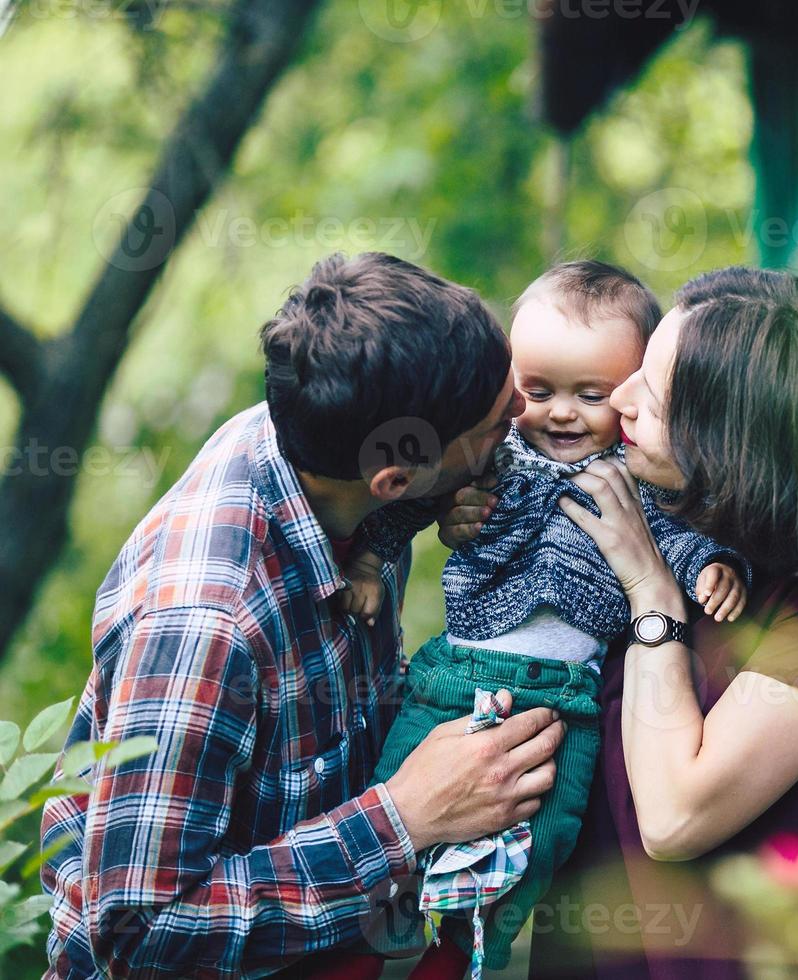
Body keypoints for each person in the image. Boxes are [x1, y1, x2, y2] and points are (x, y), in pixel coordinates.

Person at [38, 253, 566, 979]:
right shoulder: (205, 627)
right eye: (497, 417)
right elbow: (137, 929)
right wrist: (403, 819)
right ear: (394, 478)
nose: (523, 414)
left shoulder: (334, 439)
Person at [439, 266, 798, 976]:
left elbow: (673, 818)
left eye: (655, 398)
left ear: (733, 445)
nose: (622, 401)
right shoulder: (655, 491)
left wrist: (651, 594)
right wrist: (470, 522)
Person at [333, 261, 750, 979]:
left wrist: (714, 564)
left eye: (590, 396)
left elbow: (674, 540)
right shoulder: (491, 460)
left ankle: (480, 943)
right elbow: (406, 507)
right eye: (539, 390)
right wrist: (369, 563)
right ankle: (386, 917)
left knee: (549, 831)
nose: (561, 413)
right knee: (398, 782)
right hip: (458, 675)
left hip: (567, 700)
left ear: (630, 391)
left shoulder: (635, 477)